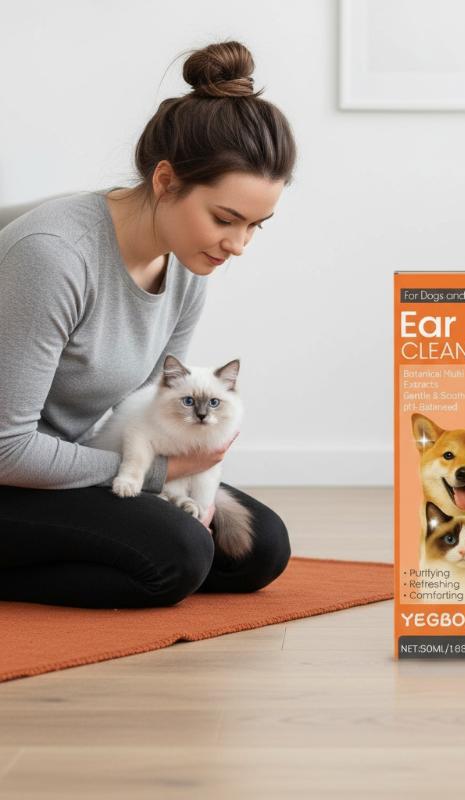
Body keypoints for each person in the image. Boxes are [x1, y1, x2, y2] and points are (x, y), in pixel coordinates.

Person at [0, 41, 295, 609]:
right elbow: (7, 448)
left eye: (256, 225)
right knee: (176, 556)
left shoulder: (187, 266)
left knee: (259, 548)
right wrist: (163, 472)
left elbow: (141, 407)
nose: (238, 245)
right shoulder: (54, 257)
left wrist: (182, 471)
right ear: (165, 181)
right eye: (225, 219)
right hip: (9, 470)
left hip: (61, 465)